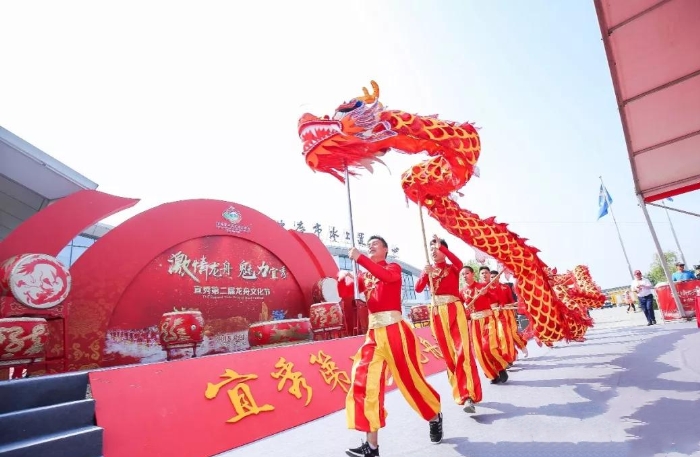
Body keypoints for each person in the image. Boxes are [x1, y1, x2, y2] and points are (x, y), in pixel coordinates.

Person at [338, 235, 443, 457]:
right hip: (373, 334)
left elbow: (385, 276)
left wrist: (360, 259)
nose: (370, 246)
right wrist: (343, 278)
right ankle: (372, 446)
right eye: (369, 244)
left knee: (410, 381)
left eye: (375, 244)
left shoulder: (393, 268)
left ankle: (434, 415)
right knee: (365, 382)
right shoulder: (364, 275)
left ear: (385, 250)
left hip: (395, 331)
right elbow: (348, 294)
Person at [415, 235, 482, 414]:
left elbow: (460, 263)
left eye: (437, 249)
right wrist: (425, 273)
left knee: (462, 350)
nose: (433, 252)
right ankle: (460, 391)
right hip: (437, 312)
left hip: (454, 309)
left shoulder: (452, 268)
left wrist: (443, 247)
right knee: (448, 354)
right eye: (431, 249)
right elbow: (418, 288)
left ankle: (468, 394)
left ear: (444, 251)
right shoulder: (428, 270)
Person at [460, 266, 509, 384]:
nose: (465, 276)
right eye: (463, 274)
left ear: (473, 274)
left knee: (488, 347)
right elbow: (461, 309)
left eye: (467, 273)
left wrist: (486, 293)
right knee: (479, 351)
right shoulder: (461, 292)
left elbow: (495, 298)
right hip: (474, 323)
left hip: (487, 319)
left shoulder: (483, 286)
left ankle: (501, 368)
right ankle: (492, 374)